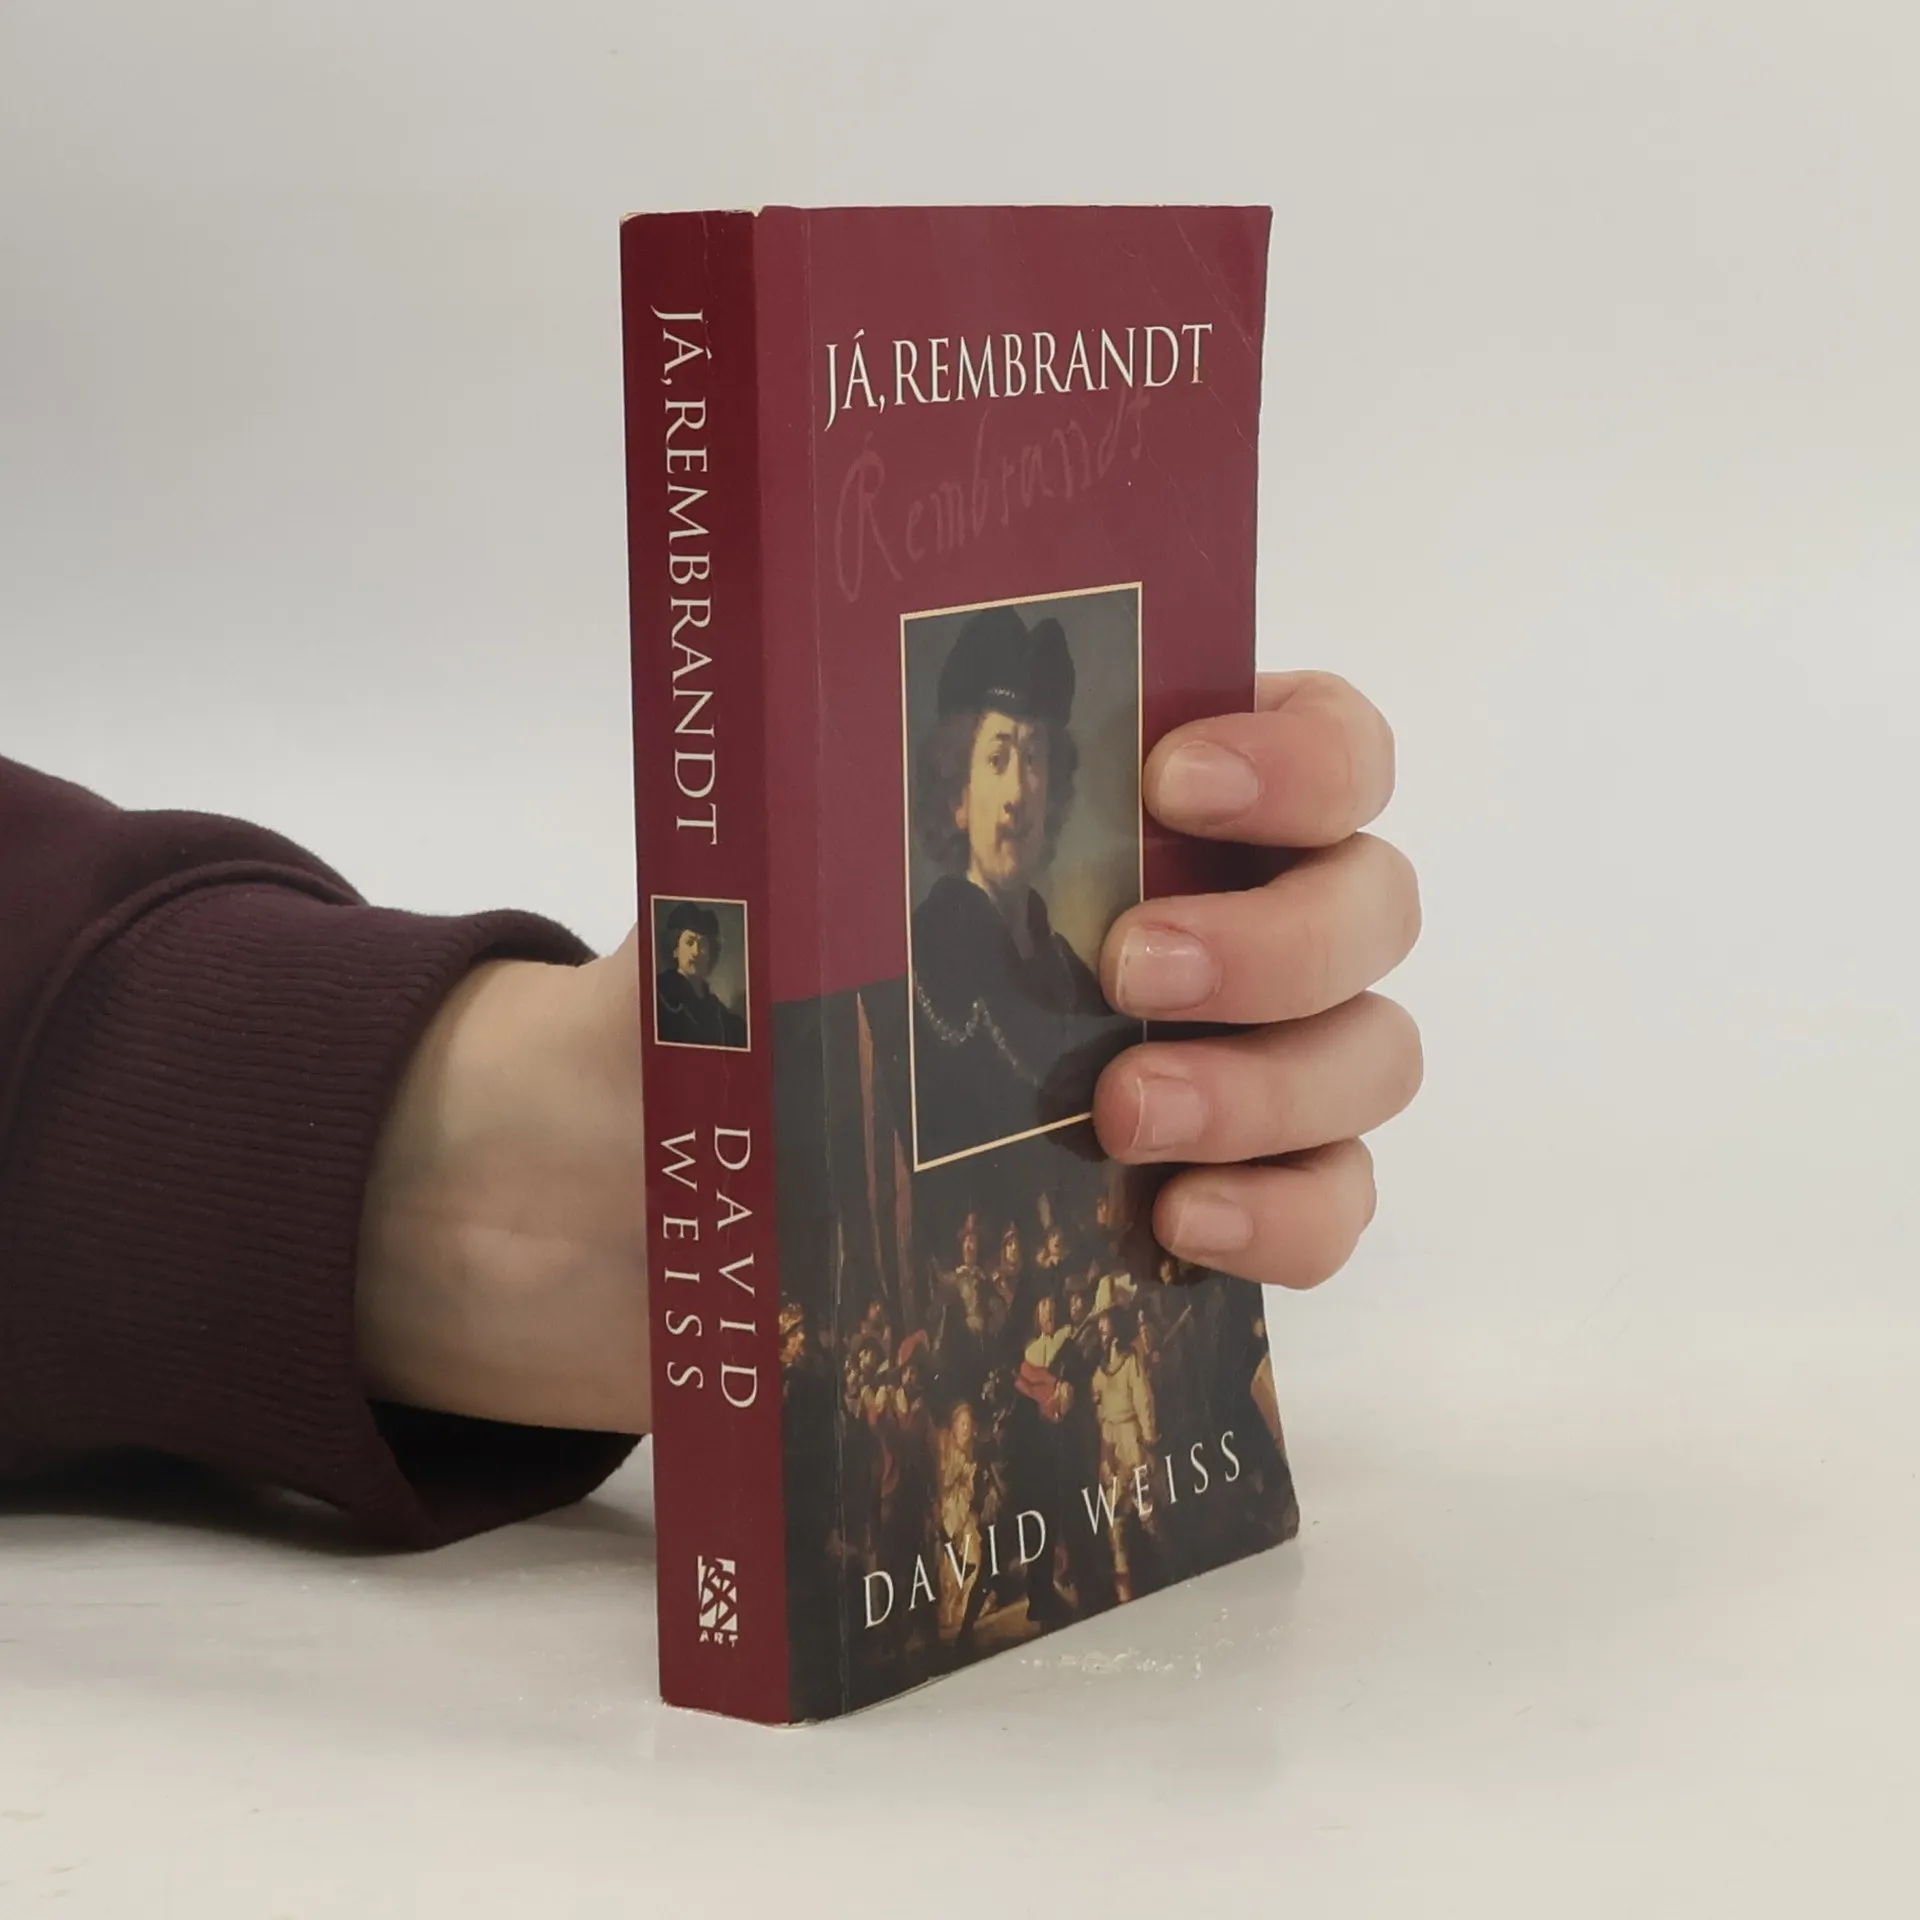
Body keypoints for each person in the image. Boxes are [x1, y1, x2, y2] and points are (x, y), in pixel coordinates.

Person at [0, 667, 1421, 1547]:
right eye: (1002, 755)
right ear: (952, 786)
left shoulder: (1065, 959)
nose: (1028, 787)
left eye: (1046, 760)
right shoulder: (913, 949)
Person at [909, 605, 1134, 1163]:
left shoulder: (1070, 974)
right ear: (957, 798)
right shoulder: (925, 961)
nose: (1017, 792)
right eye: (996, 758)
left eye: (1032, 758)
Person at [653, 900, 747, 1049]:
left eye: (702, 944)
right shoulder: (661, 995)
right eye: (689, 942)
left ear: (710, 954)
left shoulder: (716, 1009)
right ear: (675, 949)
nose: (696, 952)